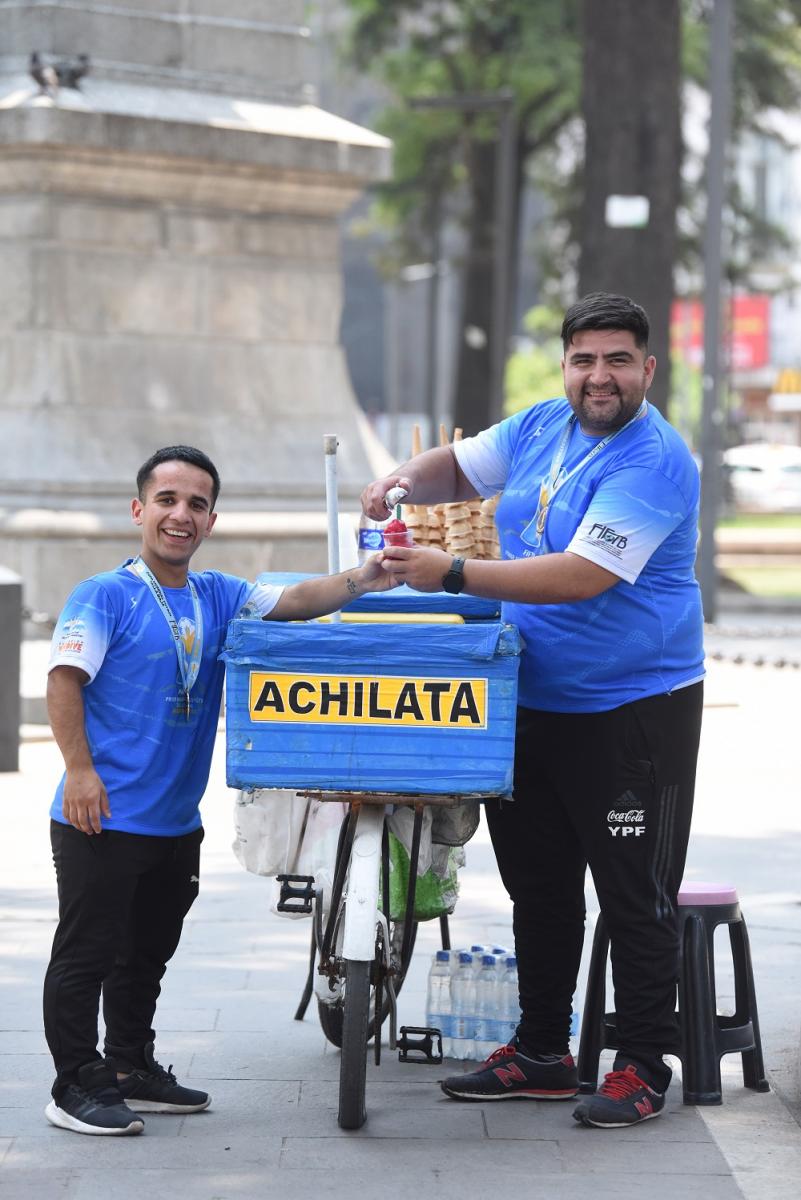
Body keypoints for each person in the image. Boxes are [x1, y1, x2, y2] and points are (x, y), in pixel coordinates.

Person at [361, 293, 704, 1129]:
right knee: (539, 888)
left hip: (633, 707)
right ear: (565, 365)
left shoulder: (655, 460)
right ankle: (543, 1050)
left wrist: (449, 573)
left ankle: (640, 1066)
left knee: (635, 893)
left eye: (618, 360)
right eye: (584, 359)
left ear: (646, 370)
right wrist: (401, 480)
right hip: (533, 697)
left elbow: (581, 574)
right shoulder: (543, 424)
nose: (599, 376)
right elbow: (460, 466)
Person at [44, 444, 393, 1137]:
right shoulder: (103, 595)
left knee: (145, 953)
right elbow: (62, 679)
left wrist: (364, 577)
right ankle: (72, 1085)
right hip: (103, 817)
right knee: (86, 954)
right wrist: (79, 770)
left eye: (196, 503)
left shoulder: (219, 595)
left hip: (173, 825)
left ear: (210, 520)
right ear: (140, 509)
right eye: (167, 500)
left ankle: (128, 1066)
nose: (181, 514)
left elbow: (295, 600)